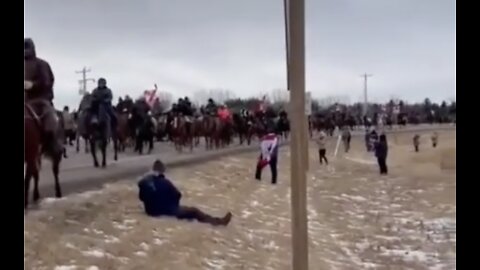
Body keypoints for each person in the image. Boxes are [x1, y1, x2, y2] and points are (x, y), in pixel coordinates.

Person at [138, 160, 232, 226]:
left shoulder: (144, 182)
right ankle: (218, 222)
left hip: (150, 211)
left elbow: (141, 197)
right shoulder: (165, 182)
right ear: (162, 172)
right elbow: (178, 195)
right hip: (166, 211)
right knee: (194, 211)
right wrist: (173, 205)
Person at [24, 38, 62, 157]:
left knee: (50, 118)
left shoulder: (42, 64)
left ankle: (52, 143)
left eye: (27, 48)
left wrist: (33, 85)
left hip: (40, 99)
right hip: (24, 100)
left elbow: (47, 81)